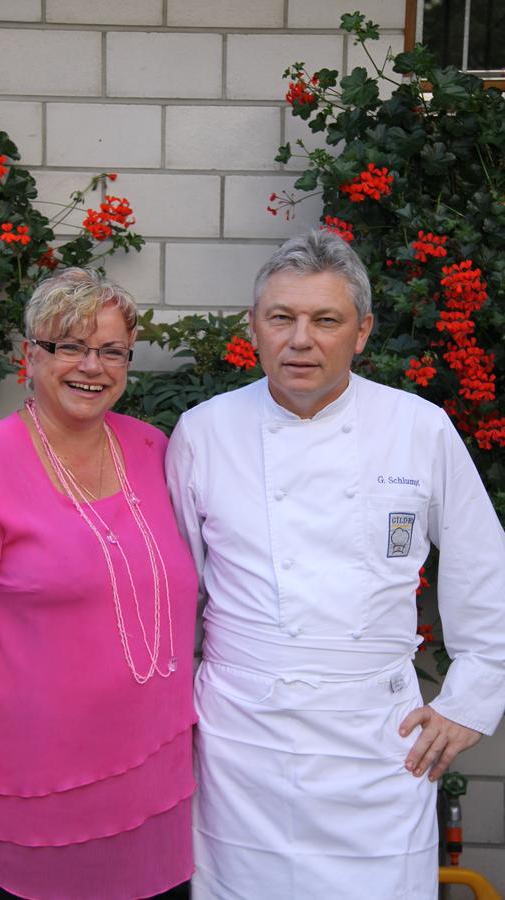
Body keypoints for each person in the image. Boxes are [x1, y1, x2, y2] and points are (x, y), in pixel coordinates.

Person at [165, 230, 505, 900]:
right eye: (281, 318)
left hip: (378, 741)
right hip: (241, 742)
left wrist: (471, 701)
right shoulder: (203, 432)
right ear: (254, 328)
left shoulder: (420, 427)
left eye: (325, 320)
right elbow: (177, 594)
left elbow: (484, 570)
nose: (301, 340)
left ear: (362, 331)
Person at [0, 268, 197, 900]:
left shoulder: (155, 450)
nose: (91, 366)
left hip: (150, 792)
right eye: (69, 346)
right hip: (9, 802)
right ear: (30, 356)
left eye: (111, 350)